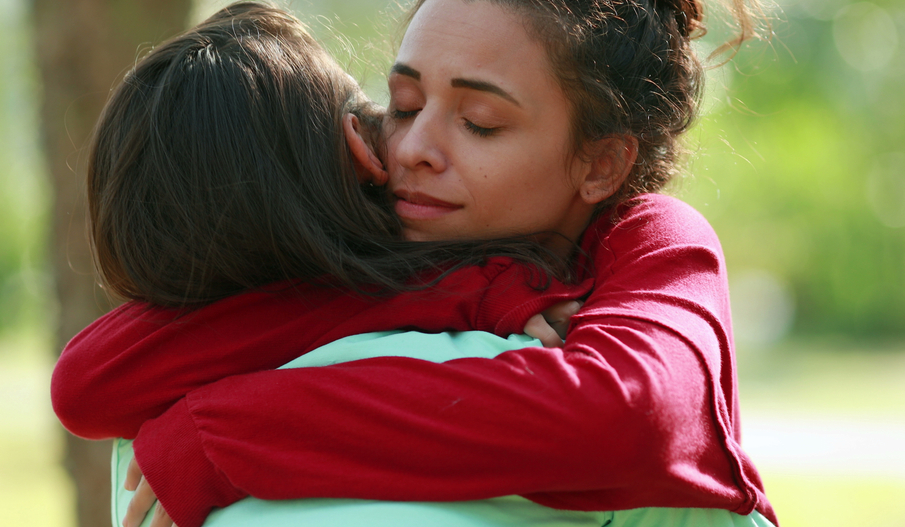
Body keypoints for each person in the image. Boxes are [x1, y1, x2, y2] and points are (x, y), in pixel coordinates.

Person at [51, 1, 778, 526]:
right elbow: (90, 380)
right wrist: (457, 293)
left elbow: (626, 419)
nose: (412, 148)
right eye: (401, 103)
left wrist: (223, 436)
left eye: (478, 122)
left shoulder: (648, 240)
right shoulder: (409, 239)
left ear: (600, 161)